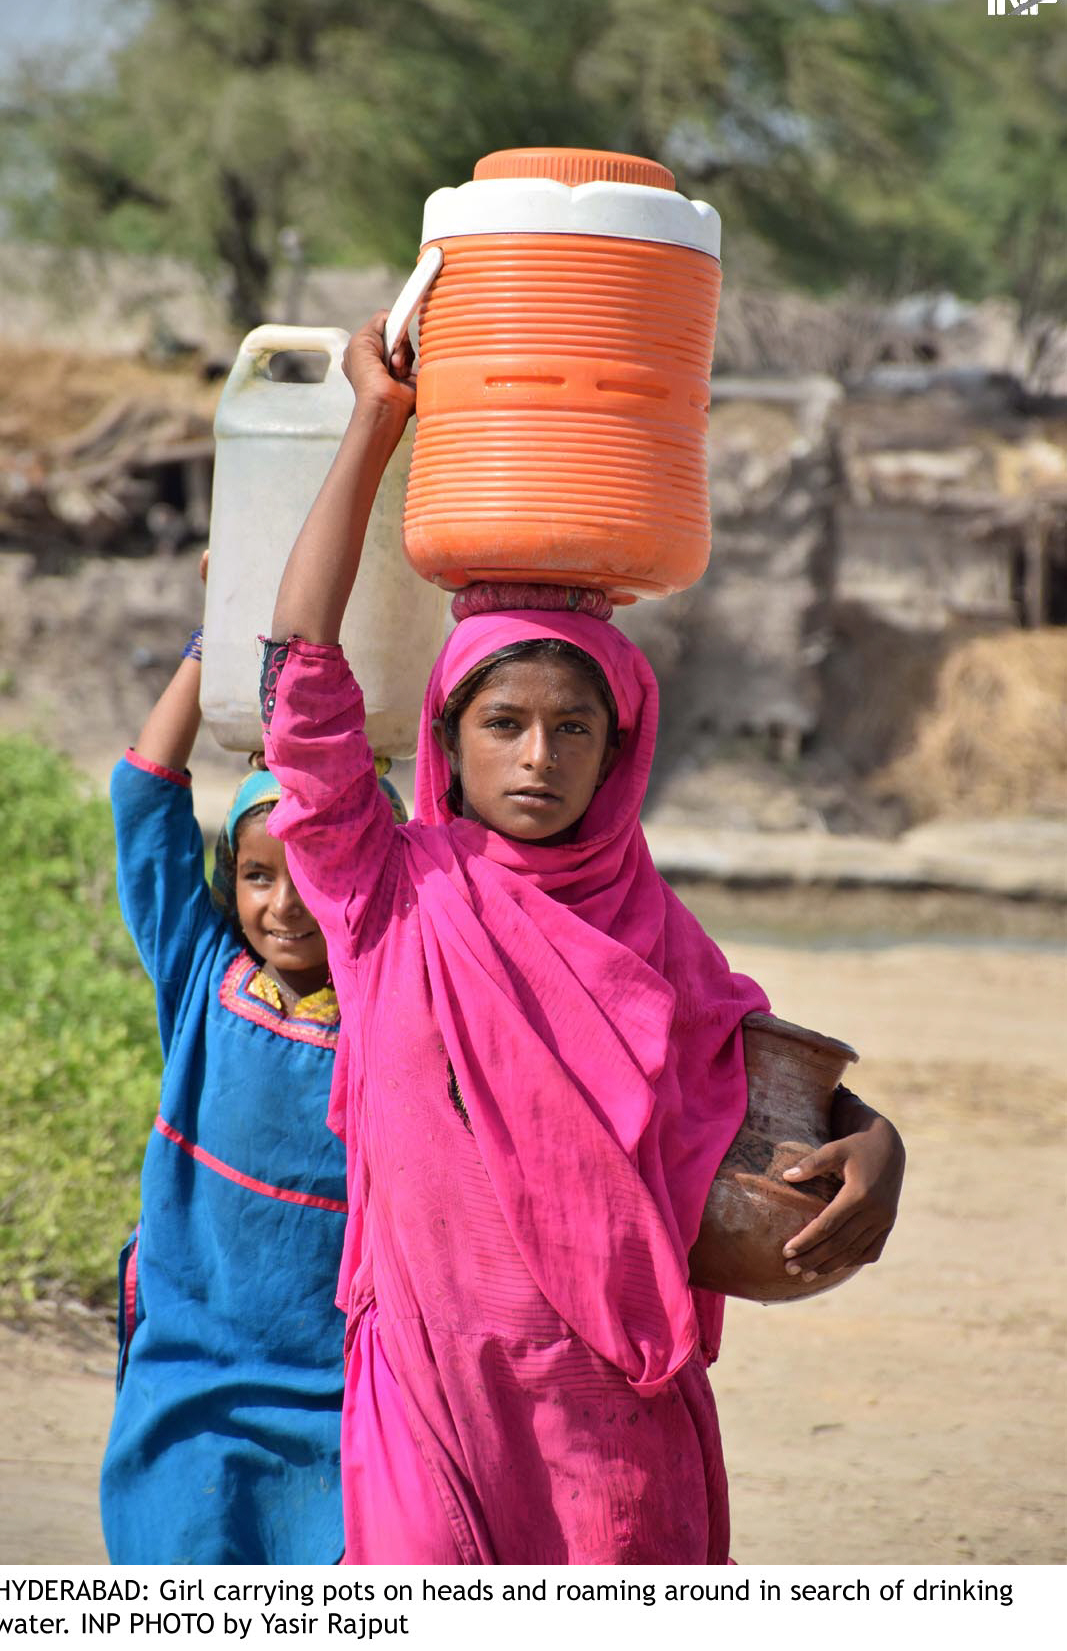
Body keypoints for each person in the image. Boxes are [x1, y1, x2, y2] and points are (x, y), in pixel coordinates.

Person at [261, 314, 906, 1565]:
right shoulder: (385, 889)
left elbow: (768, 1093)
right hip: (431, 1389)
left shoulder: (658, 936)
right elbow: (301, 676)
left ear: (622, 750)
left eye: (574, 728)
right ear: (446, 738)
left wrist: (875, 1147)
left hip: (608, 1413)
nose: (538, 757)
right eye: (502, 721)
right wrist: (374, 422)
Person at [100, 558, 404, 1564]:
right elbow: (144, 802)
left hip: (336, 1388)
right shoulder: (202, 978)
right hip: (187, 1369)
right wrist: (209, 637)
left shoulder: (398, 1008)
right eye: (256, 873)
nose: (282, 904)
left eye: (317, 873)